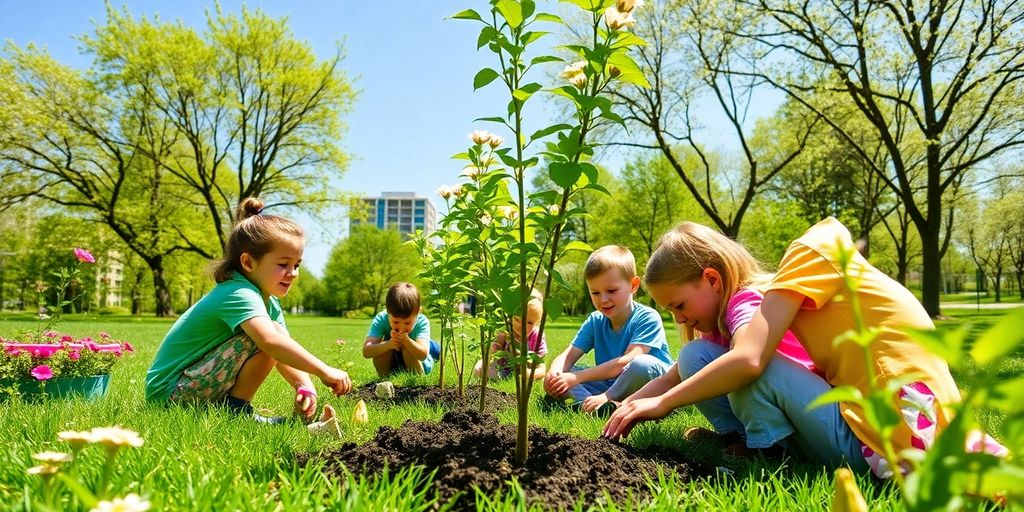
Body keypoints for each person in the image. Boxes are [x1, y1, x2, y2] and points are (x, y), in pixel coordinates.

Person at [603, 218, 964, 476]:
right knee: (696, 355)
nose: (679, 320)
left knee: (752, 368)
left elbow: (750, 362)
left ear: (712, 279)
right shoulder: (732, 315)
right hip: (864, 430)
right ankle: (748, 440)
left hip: (876, 445)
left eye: (679, 306)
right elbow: (677, 372)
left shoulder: (747, 303)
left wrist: (663, 404)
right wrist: (627, 403)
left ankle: (767, 453)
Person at [146, 198, 352, 423]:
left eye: (297, 265)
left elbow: (282, 349)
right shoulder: (237, 293)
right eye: (283, 264)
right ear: (248, 262)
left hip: (190, 386)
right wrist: (323, 370)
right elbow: (271, 342)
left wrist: (305, 386)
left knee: (275, 336)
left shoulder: (267, 300)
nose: (292, 273)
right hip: (169, 395)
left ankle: (232, 411)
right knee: (269, 335)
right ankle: (235, 413)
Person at [544, 245, 673, 414]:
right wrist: (555, 373)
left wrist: (579, 379)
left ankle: (604, 400)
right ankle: (593, 406)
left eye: (611, 291)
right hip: (613, 383)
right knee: (565, 372)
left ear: (633, 285)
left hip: (653, 383)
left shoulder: (647, 317)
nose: (603, 299)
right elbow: (568, 355)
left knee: (641, 364)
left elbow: (627, 361)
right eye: (595, 292)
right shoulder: (596, 320)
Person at [362, 282, 440, 377]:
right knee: (382, 350)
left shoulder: (422, 321)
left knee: (410, 348)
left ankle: (416, 379)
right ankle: (385, 379)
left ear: (418, 312)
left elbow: (422, 355)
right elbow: (366, 352)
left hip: (417, 363)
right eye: (395, 322)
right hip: (392, 363)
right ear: (387, 311)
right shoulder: (381, 318)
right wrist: (389, 344)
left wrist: (407, 341)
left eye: (407, 323)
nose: (401, 328)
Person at [473, 289, 548, 380]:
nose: (521, 326)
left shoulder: (537, 336)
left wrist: (529, 372)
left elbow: (540, 364)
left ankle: (528, 376)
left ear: (537, 323)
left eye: (529, 322)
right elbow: (493, 354)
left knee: (542, 371)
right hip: (504, 368)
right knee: (479, 368)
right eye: (517, 319)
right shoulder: (505, 331)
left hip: (526, 368)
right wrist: (497, 345)